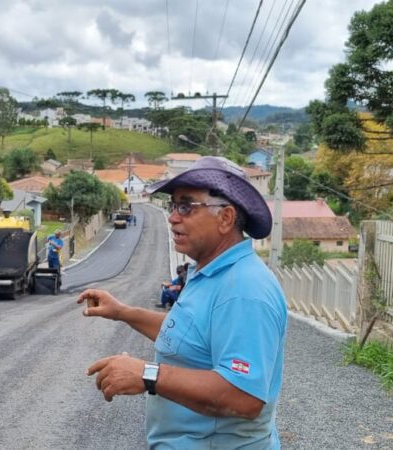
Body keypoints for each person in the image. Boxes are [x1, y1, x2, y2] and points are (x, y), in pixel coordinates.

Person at [77, 156, 287, 449]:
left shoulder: (244, 290)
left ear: (225, 218)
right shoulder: (210, 272)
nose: (173, 217)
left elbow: (245, 398)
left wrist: (148, 374)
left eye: (187, 206)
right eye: (173, 206)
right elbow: (193, 335)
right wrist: (123, 313)